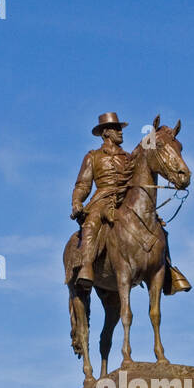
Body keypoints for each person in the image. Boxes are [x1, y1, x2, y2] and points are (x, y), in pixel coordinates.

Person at [70, 112, 134, 290]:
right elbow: (83, 185)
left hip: (126, 198)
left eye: (120, 129)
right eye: (116, 129)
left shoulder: (129, 157)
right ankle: (86, 267)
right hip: (103, 198)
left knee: (155, 224)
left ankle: (169, 272)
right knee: (91, 224)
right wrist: (77, 202)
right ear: (106, 132)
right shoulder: (92, 156)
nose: (121, 132)